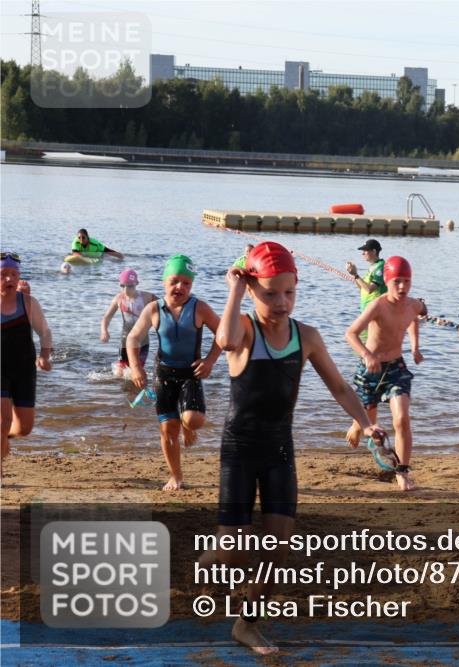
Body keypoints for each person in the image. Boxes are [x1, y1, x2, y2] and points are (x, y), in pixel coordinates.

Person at [208, 242, 386, 655]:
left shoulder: (306, 336)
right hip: (239, 449)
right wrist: (234, 290)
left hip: (280, 452)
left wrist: (367, 423)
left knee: (279, 546)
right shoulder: (246, 329)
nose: (282, 302)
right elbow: (225, 338)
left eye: (289, 292)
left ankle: (246, 625)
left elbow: (340, 387)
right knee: (229, 551)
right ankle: (201, 567)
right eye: (270, 293)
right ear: (252, 290)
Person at [127, 255, 222, 491]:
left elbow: (223, 334)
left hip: (191, 373)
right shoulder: (153, 309)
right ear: (164, 282)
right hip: (164, 374)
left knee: (193, 420)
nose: (180, 287)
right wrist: (136, 367)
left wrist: (209, 361)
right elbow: (133, 338)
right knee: (168, 429)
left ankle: (187, 426)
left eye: (186, 283)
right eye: (175, 281)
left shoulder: (199, 307)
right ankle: (176, 476)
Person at [345, 256, 424, 491]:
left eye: (407, 281)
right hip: (369, 369)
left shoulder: (413, 305)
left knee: (401, 419)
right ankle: (356, 425)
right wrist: (367, 355)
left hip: (395, 369)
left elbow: (414, 319)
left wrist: (415, 347)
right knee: (369, 425)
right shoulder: (377, 305)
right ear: (387, 280)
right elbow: (350, 334)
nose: (402, 287)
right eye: (397, 281)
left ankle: (402, 471)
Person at [1, 252, 53, 463]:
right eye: (3, 274)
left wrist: (44, 355)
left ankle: (3, 440)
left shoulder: (29, 303)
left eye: (14, 274)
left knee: (24, 428)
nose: (9, 279)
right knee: (3, 421)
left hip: (23, 370)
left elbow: (45, 332)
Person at [100, 269, 156, 378]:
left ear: (137, 284)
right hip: (125, 340)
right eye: (123, 286)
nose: (126, 289)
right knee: (120, 373)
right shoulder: (118, 299)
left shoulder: (147, 297)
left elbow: (164, 308)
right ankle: (121, 393)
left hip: (143, 341)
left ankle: (135, 392)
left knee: (137, 371)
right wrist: (104, 331)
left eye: (130, 286)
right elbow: (106, 317)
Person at [346, 239, 387, 312]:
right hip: (367, 311)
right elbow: (362, 288)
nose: (363, 253)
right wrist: (353, 274)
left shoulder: (381, 267)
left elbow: (369, 289)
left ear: (374, 251)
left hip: (376, 312)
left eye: (365, 251)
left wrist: (356, 274)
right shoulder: (373, 266)